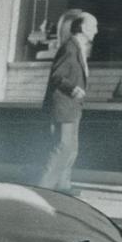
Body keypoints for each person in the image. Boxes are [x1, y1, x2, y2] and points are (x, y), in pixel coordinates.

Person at [37, 10, 97, 193]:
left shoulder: (78, 47)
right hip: (64, 106)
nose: (96, 31)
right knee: (64, 147)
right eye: (94, 27)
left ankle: (63, 186)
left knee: (72, 148)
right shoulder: (70, 47)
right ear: (84, 27)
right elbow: (57, 75)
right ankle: (44, 188)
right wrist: (73, 88)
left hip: (72, 107)